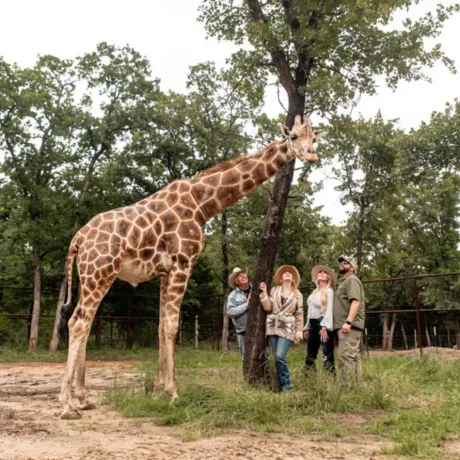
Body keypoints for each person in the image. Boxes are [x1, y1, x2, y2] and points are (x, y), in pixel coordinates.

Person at [260, 265, 303, 392]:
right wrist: (264, 293)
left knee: (280, 356)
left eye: (290, 273)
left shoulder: (297, 294)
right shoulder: (274, 290)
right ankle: (281, 387)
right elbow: (268, 308)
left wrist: (299, 332)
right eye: (285, 273)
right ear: (281, 278)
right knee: (276, 357)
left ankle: (288, 386)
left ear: (293, 279)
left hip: (288, 327)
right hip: (273, 325)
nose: (287, 274)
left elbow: (299, 315)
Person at [333, 256, 366, 387]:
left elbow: (355, 301)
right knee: (352, 357)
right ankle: (356, 388)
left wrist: (348, 322)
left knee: (345, 357)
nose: (341, 264)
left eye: (345, 263)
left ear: (352, 268)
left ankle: (347, 389)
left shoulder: (352, 280)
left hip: (349, 326)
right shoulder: (343, 281)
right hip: (346, 325)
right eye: (340, 262)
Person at [304, 265, 337, 374]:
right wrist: (307, 326)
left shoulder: (329, 291)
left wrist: (325, 327)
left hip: (323, 322)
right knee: (310, 352)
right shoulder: (314, 292)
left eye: (324, 272)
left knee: (326, 353)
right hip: (312, 323)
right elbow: (310, 310)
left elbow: (329, 309)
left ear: (328, 278)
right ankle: (309, 377)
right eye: (320, 272)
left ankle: (329, 378)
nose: (321, 273)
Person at [227, 267, 251, 356]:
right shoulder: (232, 296)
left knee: (262, 354)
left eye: (244, 274)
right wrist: (246, 305)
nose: (243, 276)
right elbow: (230, 312)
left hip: (258, 329)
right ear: (236, 282)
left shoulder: (256, 289)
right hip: (243, 331)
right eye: (240, 276)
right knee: (245, 356)